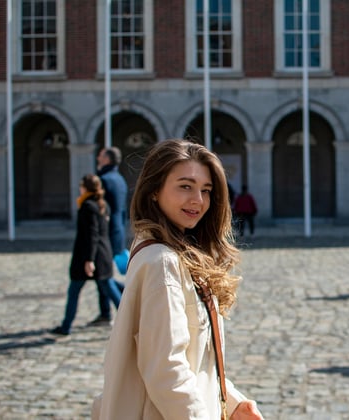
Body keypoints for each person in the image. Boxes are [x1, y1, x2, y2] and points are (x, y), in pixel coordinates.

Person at [94, 139, 263, 419]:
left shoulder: (175, 253)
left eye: (206, 190)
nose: (198, 200)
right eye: (185, 186)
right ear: (154, 191)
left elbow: (193, 360)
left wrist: (230, 402)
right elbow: (167, 372)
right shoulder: (163, 262)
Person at [51, 175, 122, 336]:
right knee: (108, 287)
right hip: (102, 253)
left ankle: (66, 326)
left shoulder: (88, 206)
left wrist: (89, 259)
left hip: (89, 256)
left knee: (76, 290)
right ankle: (66, 325)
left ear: (86, 187)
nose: (79, 188)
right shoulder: (102, 205)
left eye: (81, 185)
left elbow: (92, 234)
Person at [90, 147, 128, 326]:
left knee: (103, 276)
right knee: (103, 274)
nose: (98, 157)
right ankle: (107, 311)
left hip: (106, 234)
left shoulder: (104, 180)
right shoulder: (120, 179)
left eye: (101, 155)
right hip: (118, 231)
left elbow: (101, 211)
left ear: (108, 159)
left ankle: (120, 309)